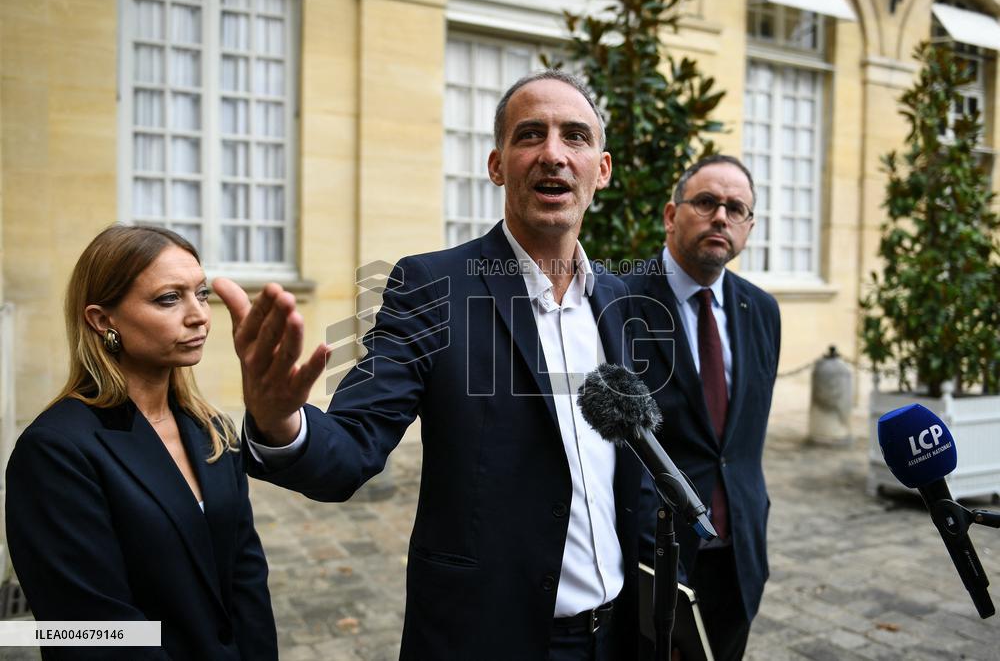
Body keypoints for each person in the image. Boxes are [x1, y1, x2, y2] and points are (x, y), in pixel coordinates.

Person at [212, 70, 643, 660]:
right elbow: (354, 445)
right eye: (529, 136)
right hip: (487, 637)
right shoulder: (433, 287)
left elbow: (634, 468)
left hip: (617, 635)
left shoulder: (619, 300)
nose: (553, 154)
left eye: (575, 137)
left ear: (603, 167)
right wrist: (281, 421)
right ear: (497, 165)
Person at [5, 225, 278, 661]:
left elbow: (246, 579)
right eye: (169, 298)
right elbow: (90, 630)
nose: (199, 315)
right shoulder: (56, 451)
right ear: (101, 319)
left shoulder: (213, 428)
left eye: (201, 293)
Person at [623, 156, 781, 660]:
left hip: (738, 556)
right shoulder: (618, 300)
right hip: (652, 559)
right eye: (707, 202)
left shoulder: (762, 310)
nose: (721, 217)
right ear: (671, 215)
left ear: (749, 227)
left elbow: (739, 443)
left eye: (737, 209)